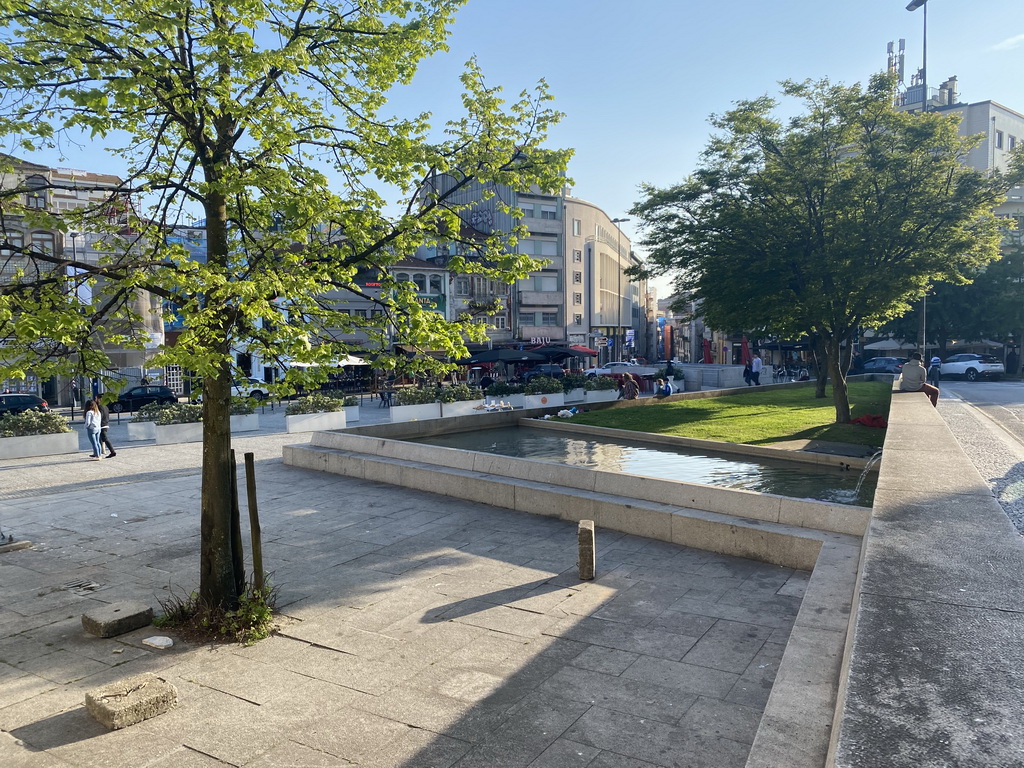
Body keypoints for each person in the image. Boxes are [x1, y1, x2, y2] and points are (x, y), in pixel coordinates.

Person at [95, 393, 116, 458]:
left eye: (96, 398)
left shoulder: (100, 406)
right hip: (105, 423)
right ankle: (98, 452)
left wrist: (97, 422)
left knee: (104, 438)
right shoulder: (105, 406)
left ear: (99, 399)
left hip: (102, 425)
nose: (95, 400)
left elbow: (100, 416)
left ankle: (112, 451)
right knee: (100, 439)